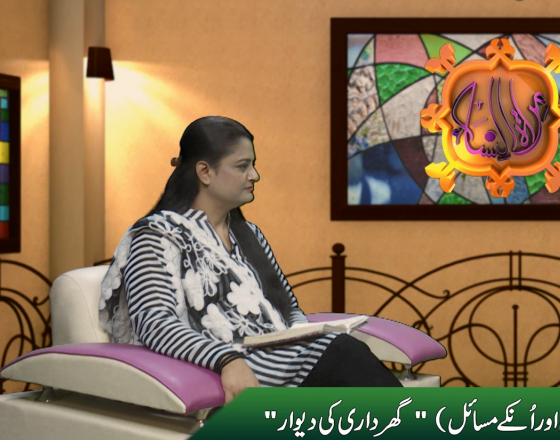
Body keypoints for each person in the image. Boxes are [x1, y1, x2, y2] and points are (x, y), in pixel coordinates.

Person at [99, 116, 401, 403]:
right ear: (205, 172)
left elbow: (288, 307)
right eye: (243, 166)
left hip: (285, 359)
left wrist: (303, 333)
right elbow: (154, 323)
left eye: (253, 165)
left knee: (346, 352)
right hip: (233, 369)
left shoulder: (249, 234)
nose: (254, 175)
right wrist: (227, 359)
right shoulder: (156, 236)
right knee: (344, 355)